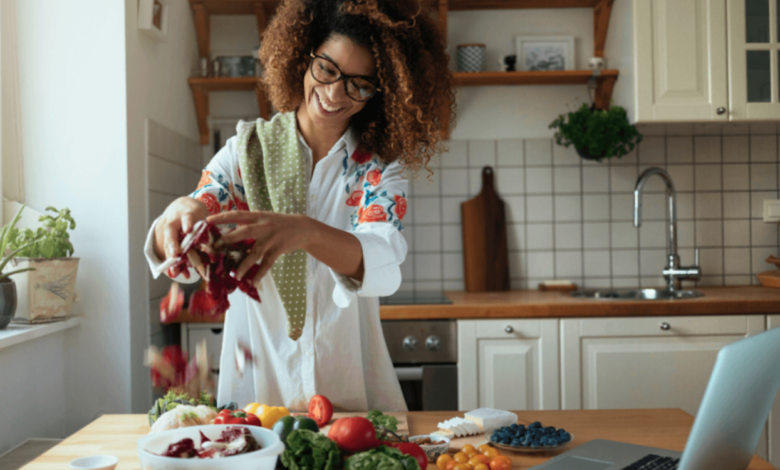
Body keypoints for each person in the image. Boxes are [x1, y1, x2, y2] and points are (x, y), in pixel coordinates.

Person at [144, 0, 453, 411]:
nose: (333, 93)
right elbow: (195, 218)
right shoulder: (244, 153)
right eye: (327, 69)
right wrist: (180, 217)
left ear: (382, 92)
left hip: (350, 397)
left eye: (359, 85)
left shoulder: (378, 169)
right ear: (303, 57)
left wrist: (305, 232)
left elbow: (383, 259)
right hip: (256, 395)